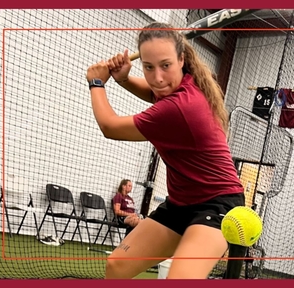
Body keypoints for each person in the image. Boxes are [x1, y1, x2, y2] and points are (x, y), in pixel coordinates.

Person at [85, 22, 245, 279]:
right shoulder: (182, 84)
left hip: (217, 204)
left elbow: (110, 127)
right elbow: (155, 92)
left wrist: (96, 82)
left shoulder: (181, 107)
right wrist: (123, 78)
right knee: (117, 265)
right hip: (180, 204)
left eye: (165, 65)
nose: (157, 77)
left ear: (182, 59)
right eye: (148, 67)